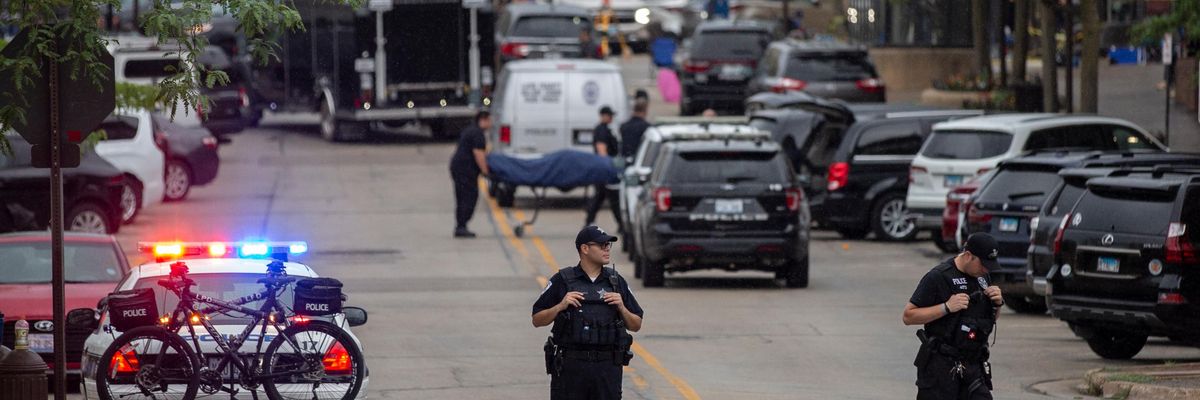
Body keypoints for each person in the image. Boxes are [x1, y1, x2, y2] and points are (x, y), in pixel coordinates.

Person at [533, 225, 643, 400]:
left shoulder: (615, 282)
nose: (607, 249)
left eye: (608, 245)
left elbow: (636, 324)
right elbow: (537, 319)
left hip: (607, 367)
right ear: (585, 248)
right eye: (602, 245)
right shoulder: (563, 280)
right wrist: (560, 306)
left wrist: (622, 307)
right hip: (571, 367)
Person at [903, 233, 1005, 400]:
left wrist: (997, 303)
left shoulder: (983, 277)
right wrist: (946, 307)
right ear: (968, 256)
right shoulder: (939, 276)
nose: (986, 269)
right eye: (983, 264)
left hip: (973, 364)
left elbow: (988, 318)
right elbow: (909, 316)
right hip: (941, 367)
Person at [449, 111, 493, 238]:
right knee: (469, 196)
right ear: (483, 120)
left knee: (462, 196)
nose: (491, 124)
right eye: (489, 120)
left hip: (459, 168)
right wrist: (486, 171)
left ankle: (461, 225)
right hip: (465, 170)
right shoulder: (477, 134)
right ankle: (461, 226)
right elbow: (478, 154)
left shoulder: (471, 130)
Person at [585, 106, 622, 230]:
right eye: (610, 115)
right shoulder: (601, 130)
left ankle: (589, 221)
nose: (611, 118)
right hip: (604, 169)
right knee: (612, 198)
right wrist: (607, 167)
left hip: (603, 168)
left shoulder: (605, 129)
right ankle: (621, 224)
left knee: (600, 197)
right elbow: (602, 150)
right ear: (604, 116)